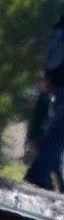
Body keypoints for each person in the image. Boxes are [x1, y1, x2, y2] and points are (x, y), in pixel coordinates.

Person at [24, 14, 64, 190]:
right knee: (59, 133)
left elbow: (52, 57)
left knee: (58, 132)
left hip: (56, 83)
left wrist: (49, 78)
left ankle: (58, 180)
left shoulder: (59, 26)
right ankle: (39, 174)